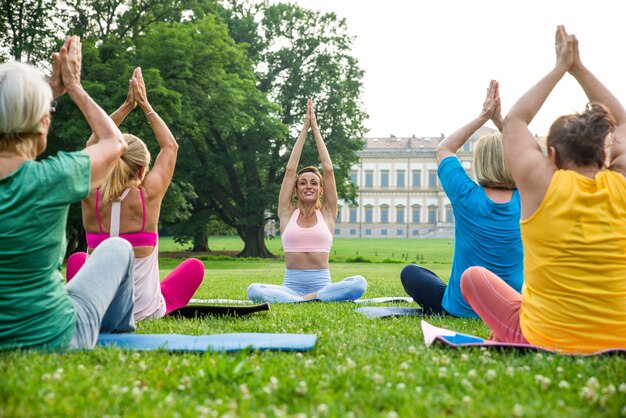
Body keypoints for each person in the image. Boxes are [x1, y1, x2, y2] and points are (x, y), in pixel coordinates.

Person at [460, 25, 626, 353]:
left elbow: (517, 120)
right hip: (620, 338)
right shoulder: (620, 184)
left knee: (473, 278)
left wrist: (559, 67)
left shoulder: (541, 186)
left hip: (546, 339)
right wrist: (579, 67)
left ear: (550, 155)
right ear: (604, 154)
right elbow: (622, 122)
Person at [0, 36, 136, 350]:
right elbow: (115, 143)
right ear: (43, 123)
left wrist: (44, 92)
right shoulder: (54, 177)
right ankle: (120, 337)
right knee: (117, 248)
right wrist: (73, 86)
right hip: (55, 337)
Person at [66, 67, 205, 321]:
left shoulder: (91, 194)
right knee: (194, 267)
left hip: (98, 310)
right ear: (142, 168)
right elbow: (170, 146)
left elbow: (91, 145)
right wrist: (144, 104)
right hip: (145, 312)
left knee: (77, 260)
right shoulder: (148, 195)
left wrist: (126, 107)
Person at [400, 81, 523, 317]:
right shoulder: (528, 199)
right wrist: (500, 121)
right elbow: (533, 155)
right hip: (510, 311)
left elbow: (444, 149)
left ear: (479, 163)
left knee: (411, 272)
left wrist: (483, 117)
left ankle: (454, 293)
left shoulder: (465, 195)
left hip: (459, 309)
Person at [247, 99, 367, 303]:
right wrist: (304, 130)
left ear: (321, 190)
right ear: (295, 190)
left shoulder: (327, 214)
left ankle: (308, 298)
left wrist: (316, 129)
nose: (308, 186)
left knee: (359, 283)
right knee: (254, 289)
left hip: (323, 285)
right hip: (290, 287)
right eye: (303, 183)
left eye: (313, 183)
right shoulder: (287, 213)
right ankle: (311, 299)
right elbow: (290, 170)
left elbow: (328, 170)